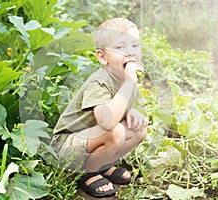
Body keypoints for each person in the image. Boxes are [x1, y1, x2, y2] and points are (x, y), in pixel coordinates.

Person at [50, 18, 148, 197]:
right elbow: (106, 121)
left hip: (89, 140)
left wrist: (132, 111)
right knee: (115, 132)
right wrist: (128, 84)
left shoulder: (126, 81)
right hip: (66, 147)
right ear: (103, 57)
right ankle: (87, 174)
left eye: (134, 45)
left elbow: (119, 107)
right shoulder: (100, 82)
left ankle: (103, 166)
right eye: (120, 47)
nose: (130, 52)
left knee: (138, 130)